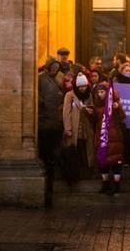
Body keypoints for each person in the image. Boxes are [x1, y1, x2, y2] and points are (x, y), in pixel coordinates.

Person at [92, 82, 126, 195]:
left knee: (116, 162)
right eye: (98, 92)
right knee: (103, 162)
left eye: (102, 92)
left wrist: (118, 108)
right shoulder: (96, 106)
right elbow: (94, 121)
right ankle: (105, 184)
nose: (100, 94)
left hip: (114, 136)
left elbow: (122, 117)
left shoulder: (115, 103)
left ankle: (116, 185)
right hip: (101, 136)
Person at [62, 73, 95, 184]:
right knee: (74, 150)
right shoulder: (70, 95)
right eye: (80, 86)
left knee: (86, 150)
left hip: (86, 128)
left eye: (84, 86)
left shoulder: (89, 95)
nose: (82, 88)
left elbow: (92, 109)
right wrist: (68, 128)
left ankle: (87, 171)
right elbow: (66, 112)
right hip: (74, 126)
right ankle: (75, 174)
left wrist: (90, 111)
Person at [38, 57, 64, 202]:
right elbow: (35, 94)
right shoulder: (40, 78)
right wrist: (41, 103)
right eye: (52, 66)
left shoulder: (60, 77)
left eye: (57, 66)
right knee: (45, 150)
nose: (55, 68)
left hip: (57, 119)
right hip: (44, 120)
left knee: (55, 148)